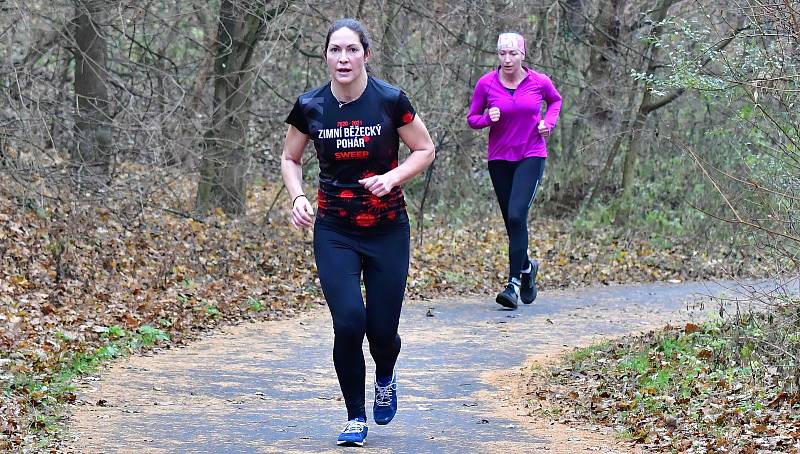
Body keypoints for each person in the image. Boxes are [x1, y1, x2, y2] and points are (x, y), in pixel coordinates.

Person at [281, 18, 435, 447]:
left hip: (387, 230)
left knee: (382, 333)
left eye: (352, 50)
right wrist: (297, 198)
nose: (343, 58)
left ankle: (384, 375)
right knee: (349, 323)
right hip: (334, 230)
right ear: (326, 56)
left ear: (366, 54)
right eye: (336, 50)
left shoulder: (389, 101)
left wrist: (393, 177)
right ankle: (354, 416)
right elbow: (290, 158)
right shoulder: (310, 106)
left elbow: (425, 149)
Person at [467, 32, 562, 310]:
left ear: (523, 54)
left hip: (531, 155)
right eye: (502, 53)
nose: (507, 59)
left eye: (513, 53)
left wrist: (549, 122)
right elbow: (472, 118)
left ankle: (513, 284)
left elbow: (555, 101)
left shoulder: (539, 82)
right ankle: (528, 267)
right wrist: (487, 118)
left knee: (517, 214)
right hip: (499, 159)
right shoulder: (486, 84)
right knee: (512, 223)